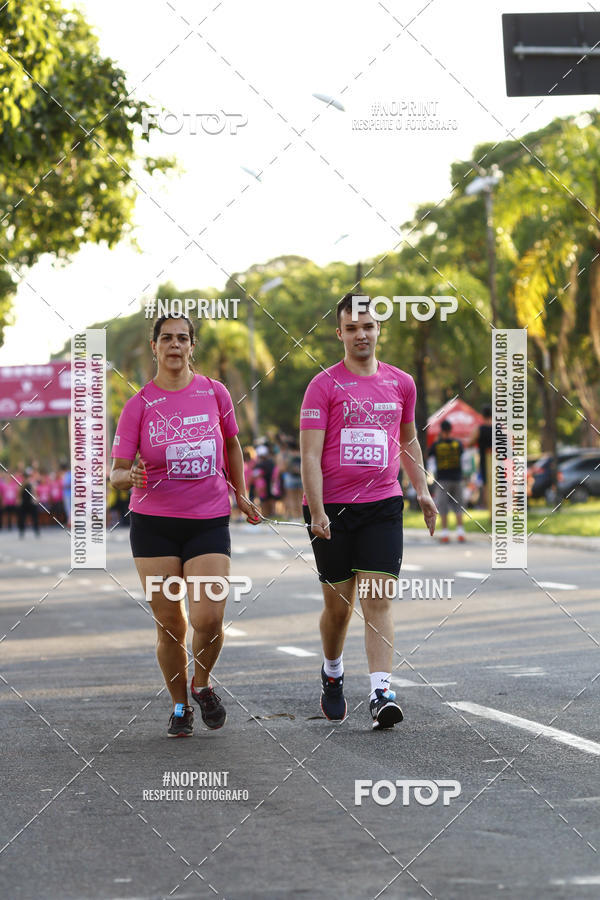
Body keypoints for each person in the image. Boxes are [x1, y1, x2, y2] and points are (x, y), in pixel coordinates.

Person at [110, 314, 260, 738]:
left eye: (182, 338)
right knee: (171, 626)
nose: (174, 345)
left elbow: (231, 444)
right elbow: (116, 472)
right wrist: (129, 476)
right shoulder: (139, 405)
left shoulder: (215, 392)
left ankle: (202, 683)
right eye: (166, 338)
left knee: (209, 618)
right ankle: (180, 706)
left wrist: (241, 493)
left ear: (192, 346)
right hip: (154, 526)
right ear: (154, 346)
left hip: (207, 520)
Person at [300, 293, 437, 729]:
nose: (361, 334)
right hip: (331, 510)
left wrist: (422, 490)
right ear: (339, 333)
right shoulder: (323, 385)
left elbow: (408, 439)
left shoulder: (401, 383)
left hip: (382, 503)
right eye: (352, 328)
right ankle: (332, 671)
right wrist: (317, 510)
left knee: (377, 599)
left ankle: (381, 693)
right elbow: (309, 454)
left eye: (368, 326)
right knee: (338, 608)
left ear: (379, 330)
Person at [428, 420, 465, 543]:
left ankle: (445, 534)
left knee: (443, 507)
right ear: (450, 430)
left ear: (441, 430)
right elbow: (462, 455)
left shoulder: (437, 444)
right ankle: (460, 533)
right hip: (457, 479)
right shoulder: (457, 443)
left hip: (443, 480)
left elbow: (428, 455)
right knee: (458, 506)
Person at [468, 405, 492, 509]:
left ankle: (490, 508)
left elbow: (470, 443)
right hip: (497, 460)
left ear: (482, 415)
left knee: (486, 485)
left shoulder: (479, 429)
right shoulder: (499, 429)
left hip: (485, 460)